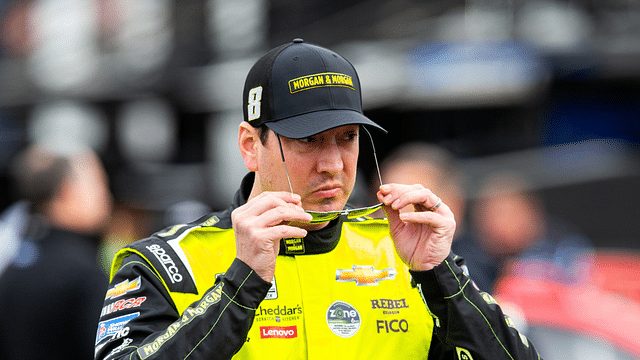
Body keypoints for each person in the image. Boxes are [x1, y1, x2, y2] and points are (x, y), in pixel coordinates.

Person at [94, 39, 541, 360]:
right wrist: (239, 286)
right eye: (308, 139)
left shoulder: (406, 251)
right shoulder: (167, 263)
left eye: (346, 138)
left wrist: (443, 276)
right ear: (251, 145)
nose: (332, 163)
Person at [0, 144, 111, 360]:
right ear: (66, 190)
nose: (106, 196)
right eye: (99, 184)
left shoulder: (14, 263)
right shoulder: (83, 273)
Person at [452, 170, 594, 292]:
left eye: (504, 213)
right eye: (486, 215)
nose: (496, 224)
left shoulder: (565, 247)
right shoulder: (468, 259)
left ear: (531, 211)